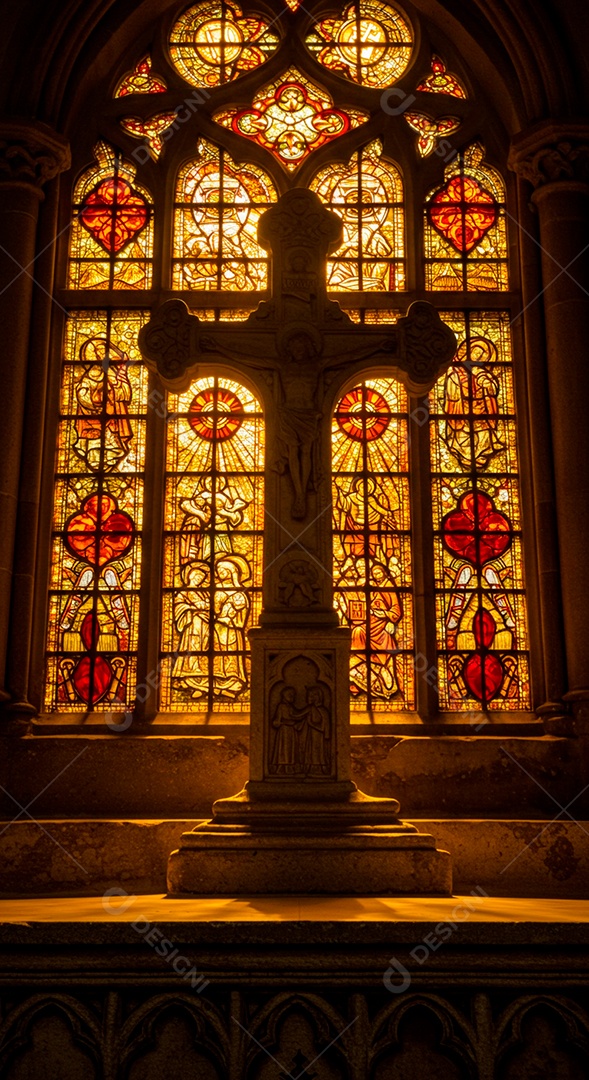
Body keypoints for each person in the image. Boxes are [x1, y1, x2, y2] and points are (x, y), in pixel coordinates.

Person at [74, 337, 133, 471]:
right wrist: (92, 404)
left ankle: (111, 457)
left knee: (113, 443)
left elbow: (123, 394)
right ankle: (96, 459)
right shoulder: (89, 377)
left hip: (110, 418)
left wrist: (120, 378)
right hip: (93, 417)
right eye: (100, 353)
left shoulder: (111, 375)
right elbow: (82, 393)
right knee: (94, 443)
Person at [172, 562, 210, 699]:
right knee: (193, 645)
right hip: (192, 623)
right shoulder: (184, 591)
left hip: (205, 623)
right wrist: (192, 608)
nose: (200, 579)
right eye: (198, 576)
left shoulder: (204, 592)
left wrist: (206, 605)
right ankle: (192, 669)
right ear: (191, 576)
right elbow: (178, 606)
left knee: (203, 645)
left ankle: (201, 668)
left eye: (202, 578)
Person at [302, 686, 331, 775]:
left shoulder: (323, 711)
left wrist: (311, 724)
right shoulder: (311, 709)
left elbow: (323, 728)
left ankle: (320, 768)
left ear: (317, 697)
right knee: (311, 751)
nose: (308, 698)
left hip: (319, 737)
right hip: (311, 735)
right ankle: (310, 768)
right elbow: (298, 715)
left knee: (318, 752)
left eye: (310, 696)